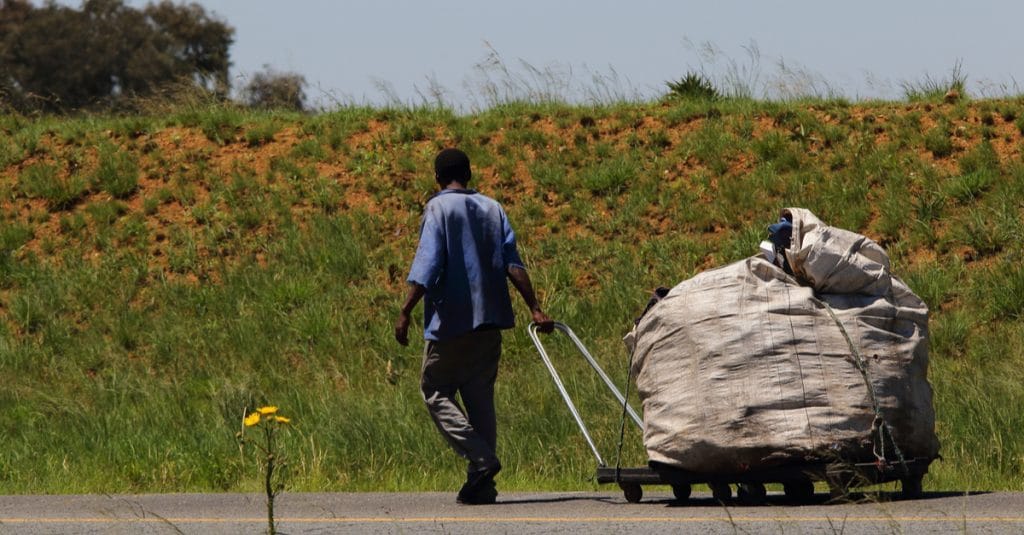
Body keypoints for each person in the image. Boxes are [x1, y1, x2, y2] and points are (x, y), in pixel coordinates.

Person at [395, 148, 554, 505]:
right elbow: (513, 264)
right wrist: (535, 308)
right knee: (480, 399)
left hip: (451, 324)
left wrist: (405, 310)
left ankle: (482, 461)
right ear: (469, 173)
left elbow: (428, 265)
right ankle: (482, 484)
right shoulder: (491, 207)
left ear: (437, 177)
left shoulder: (438, 208)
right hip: (489, 322)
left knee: (435, 391)